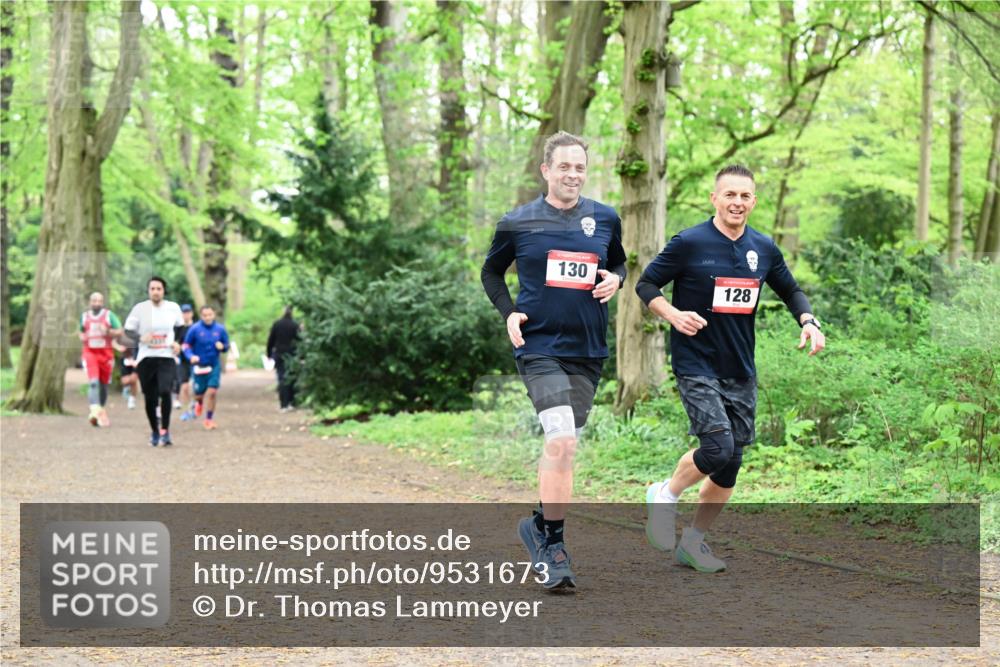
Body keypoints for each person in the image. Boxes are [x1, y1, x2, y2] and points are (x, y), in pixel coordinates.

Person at [636, 164, 826, 573]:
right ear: (715, 199)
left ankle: (692, 543)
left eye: (745, 196)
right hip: (695, 362)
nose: (737, 202)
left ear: (753, 201)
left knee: (731, 461)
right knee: (717, 447)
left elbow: (791, 290)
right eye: (730, 195)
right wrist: (673, 314)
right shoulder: (690, 242)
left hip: (739, 366)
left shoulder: (763, 247)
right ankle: (664, 495)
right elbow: (646, 284)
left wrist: (808, 320)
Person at [481, 131, 626, 590]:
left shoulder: (605, 218)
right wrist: (509, 312)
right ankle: (554, 547)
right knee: (561, 440)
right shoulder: (517, 222)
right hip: (539, 345)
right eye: (564, 166)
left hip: (588, 350)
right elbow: (491, 272)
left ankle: (538, 525)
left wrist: (616, 280)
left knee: (564, 444)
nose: (573, 175)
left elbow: (619, 263)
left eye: (580, 167)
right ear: (546, 170)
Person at [123, 276, 186, 447]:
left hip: (166, 356)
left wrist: (177, 342)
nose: (156, 292)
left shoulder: (173, 308)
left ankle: (165, 429)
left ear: (164, 291)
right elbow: (128, 330)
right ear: (148, 291)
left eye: (159, 289)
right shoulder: (140, 309)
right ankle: (155, 431)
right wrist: (140, 337)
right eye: (152, 289)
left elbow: (180, 327)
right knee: (150, 397)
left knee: (165, 391)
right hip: (146, 358)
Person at [182, 304, 230, 430]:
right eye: (205, 315)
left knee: (212, 392)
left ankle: (209, 419)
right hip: (199, 366)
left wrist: (223, 347)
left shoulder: (220, 329)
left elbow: (227, 345)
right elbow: (186, 345)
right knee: (199, 395)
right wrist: (191, 356)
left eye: (210, 315)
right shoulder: (194, 329)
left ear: (214, 315)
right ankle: (199, 402)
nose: (208, 317)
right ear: (201, 316)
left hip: (213, 365)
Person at [79, 292, 123, 427]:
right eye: (94, 301)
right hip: (90, 353)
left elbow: (120, 331)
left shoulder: (109, 316)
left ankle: (101, 411)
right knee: (93, 383)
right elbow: (81, 331)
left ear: (103, 302)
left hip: (106, 355)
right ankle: (94, 411)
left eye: (99, 301)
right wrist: (82, 336)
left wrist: (108, 332)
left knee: (103, 385)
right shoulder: (84, 316)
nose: (97, 303)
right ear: (90, 302)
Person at [266, 306, 301, 412]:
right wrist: (301, 355)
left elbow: (271, 340)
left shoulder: (277, 324)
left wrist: (269, 354)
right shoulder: (295, 325)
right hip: (292, 355)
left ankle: (283, 404)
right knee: (292, 378)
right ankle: (291, 401)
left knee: (281, 378)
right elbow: (300, 340)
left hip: (279, 354)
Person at [175, 304, 196, 420]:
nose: (186, 315)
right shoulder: (178, 328)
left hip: (195, 361)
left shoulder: (196, 327)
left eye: (188, 312)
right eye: (184, 313)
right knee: (184, 387)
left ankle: (195, 404)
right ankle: (187, 410)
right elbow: (173, 342)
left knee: (195, 387)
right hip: (182, 360)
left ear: (192, 313)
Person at [113, 339, 138, 410]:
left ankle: (132, 399)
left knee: (134, 379)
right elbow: (113, 341)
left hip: (136, 358)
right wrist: (118, 347)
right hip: (125, 357)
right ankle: (127, 389)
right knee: (125, 381)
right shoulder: (122, 335)